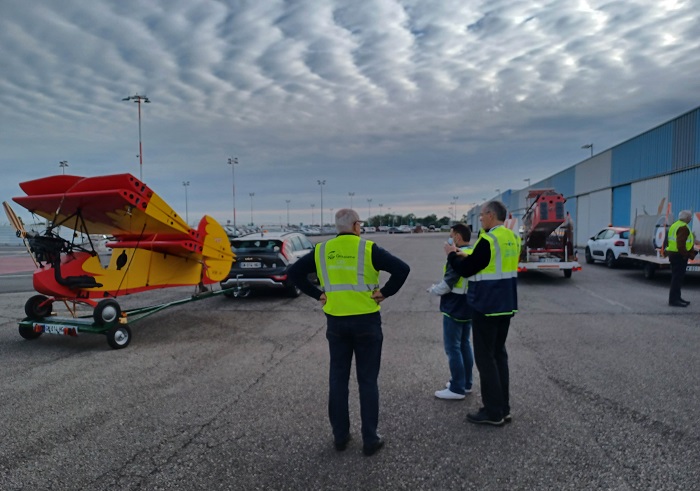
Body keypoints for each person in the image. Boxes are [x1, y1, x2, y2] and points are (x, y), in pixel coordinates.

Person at [288, 209, 410, 456]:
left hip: (336, 324)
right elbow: (402, 269)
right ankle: (370, 439)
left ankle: (340, 437)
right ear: (356, 225)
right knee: (367, 380)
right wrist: (385, 292)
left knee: (338, 379)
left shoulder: (322, 250)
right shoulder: (368, 248)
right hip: (366, 322)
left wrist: (316, 294)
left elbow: (293, 273)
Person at [444, 201, 519, 426]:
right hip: (506, 303)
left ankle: (493, 412)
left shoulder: (489, 238)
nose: (481, 219)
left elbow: (468, 270)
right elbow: (487, 261)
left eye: (483, 215)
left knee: (485, 359)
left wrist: (451, 256)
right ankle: (503, 408)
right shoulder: (513, 237)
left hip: (486, 305)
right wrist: (465, 254)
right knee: (499, 355)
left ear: (490, 215)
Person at [428, 223, 474, 400]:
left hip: (454, 305)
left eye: (451, 235)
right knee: (464, 344)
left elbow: (447, 284)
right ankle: (466, 382)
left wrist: (432, 290)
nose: (448, 238)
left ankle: (456, 388)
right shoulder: (472, 252)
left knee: (452, 347)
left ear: (457, 237)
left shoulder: (457, 256)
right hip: (468, 304)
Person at [666, 210, 697, 307]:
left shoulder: (675, 225)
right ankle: (674, 300)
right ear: (687, 218)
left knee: (677, 278)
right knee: (677, 278)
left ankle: (677, 297)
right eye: (690, 217)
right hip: (679, 256)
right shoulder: (683, 227)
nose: (691, 219)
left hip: (674, 254)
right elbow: (680, 244)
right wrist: (686, 255)